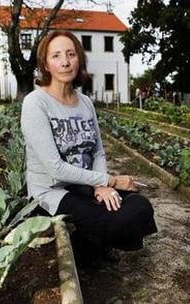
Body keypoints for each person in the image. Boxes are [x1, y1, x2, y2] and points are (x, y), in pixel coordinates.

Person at [21, 31, 157, 266]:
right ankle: (87, 247)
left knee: (140, 206)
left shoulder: (85, 102)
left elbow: (97, 151)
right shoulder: (35, 103)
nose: (65, 62)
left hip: (84, 185)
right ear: (46, 64)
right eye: (56, 56)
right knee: (112, 218)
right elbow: (56, 169)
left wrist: (100, 186)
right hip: (52, 192)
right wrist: (111, 181)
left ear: (79, 59)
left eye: (71, 54)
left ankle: (93, 240)